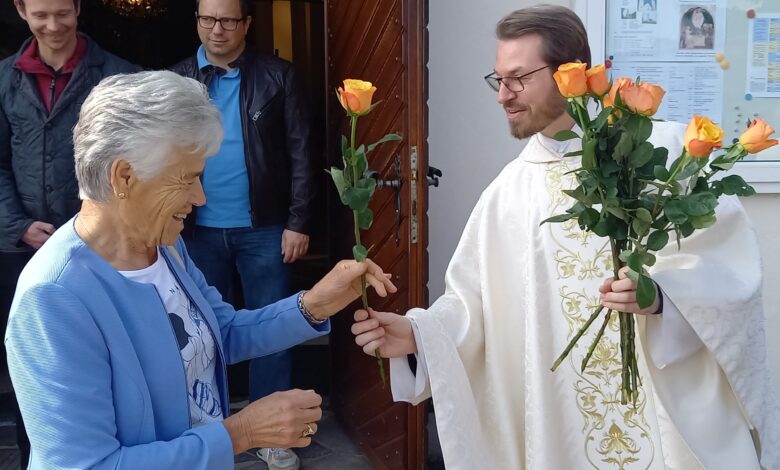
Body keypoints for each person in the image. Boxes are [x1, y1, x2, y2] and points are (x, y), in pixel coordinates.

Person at [351, 6, 780, 470]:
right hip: (560, 431)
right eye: (498, 79)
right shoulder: (507, 195)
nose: (503, 96)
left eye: (518, 78)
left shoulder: (666, 156)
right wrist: (419, 335)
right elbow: (473, 305)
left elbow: (730, 271)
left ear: (570, 73)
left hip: (667, 421)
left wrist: (661, 299)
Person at [5, 70, 396, 469]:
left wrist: (315, 304)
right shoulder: (53, 298)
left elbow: (219, 333)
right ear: (124, 176)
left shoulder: (166, 247)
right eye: (188, 178)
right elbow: (86, 465)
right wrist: (240, 433)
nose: (200, 196)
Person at [171, 1, 315, 466]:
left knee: (271, 330)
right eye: (208, 19)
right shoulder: (174, 82)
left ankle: (273, 434)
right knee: (195, 334)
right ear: (196, 22)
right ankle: (207, 434)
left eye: (229, 19)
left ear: (247, 24)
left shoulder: (278, 76)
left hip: (265, 229)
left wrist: (299, 221)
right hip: (191, 231)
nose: (218, 29)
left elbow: (300, 151)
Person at [0, 0, 137, 462]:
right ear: (21, 11)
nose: (53, 25)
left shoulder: (118, 76)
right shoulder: (3, 80)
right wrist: (18, 226)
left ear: (78, 8)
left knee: (108, 359)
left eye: (63, 12)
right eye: (40, 15)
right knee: (34, 364)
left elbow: (133, 163)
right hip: (23, 249)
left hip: (103, 248)